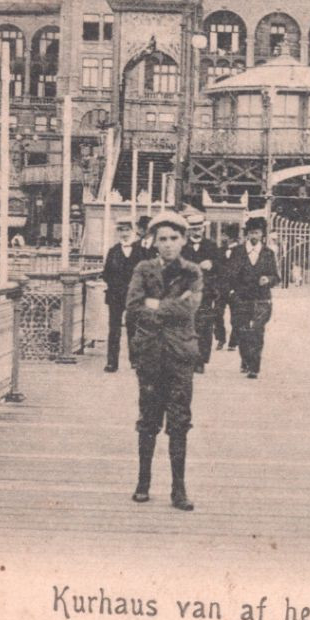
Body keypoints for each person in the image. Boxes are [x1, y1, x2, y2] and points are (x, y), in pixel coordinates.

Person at [124, 212, 204, 510]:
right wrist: (171, 304)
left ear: (183, 240)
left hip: (181, 355)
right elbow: (132, 307)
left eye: (174, 238)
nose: (168, 244)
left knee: (180, 422)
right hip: (150, 355)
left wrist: (154, 304)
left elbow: (189, 310)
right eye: (162, 239)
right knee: (148, 420)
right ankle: (143, 482)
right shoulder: (143, 269)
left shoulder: (192, 272)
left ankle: (178, 490)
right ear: (154, 242)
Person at [228, 216, 279, 379]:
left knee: (257, 331)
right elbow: (228, 274)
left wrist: (268, 279)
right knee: (242, 332)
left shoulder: (268, 253)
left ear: (262, 234)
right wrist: (231, 292)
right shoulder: (237, 252)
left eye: (257, 233)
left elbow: (276, 277)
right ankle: (246, 359)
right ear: (246, 234)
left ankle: (254, 367)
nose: (254, 236)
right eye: (251, 233)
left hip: (261, 299)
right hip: (241, 298)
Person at [179, 210, 226, 374]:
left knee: (205, 327)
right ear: (188, 230)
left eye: (199, 228)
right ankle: (188, 359)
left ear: (203, 229)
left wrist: (212, 264)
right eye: (193, 229)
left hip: (206, 293)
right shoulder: (182, 248)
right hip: (187, 293)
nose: (196, 231)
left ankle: (201, 361)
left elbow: (221, 268)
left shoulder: (211, 246)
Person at [101, 218, 145, 373]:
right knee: (114, 329)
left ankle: (136, 360)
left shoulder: (141, 250)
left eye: (127, 230)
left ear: (132, 231)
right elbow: (106, 273)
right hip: (115, 295)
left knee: (134, 327)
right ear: (117, 232)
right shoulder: (113, 251)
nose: (124, 233)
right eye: (121, 230)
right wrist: (115, 284)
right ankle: (112, 362)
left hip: (135, 296)